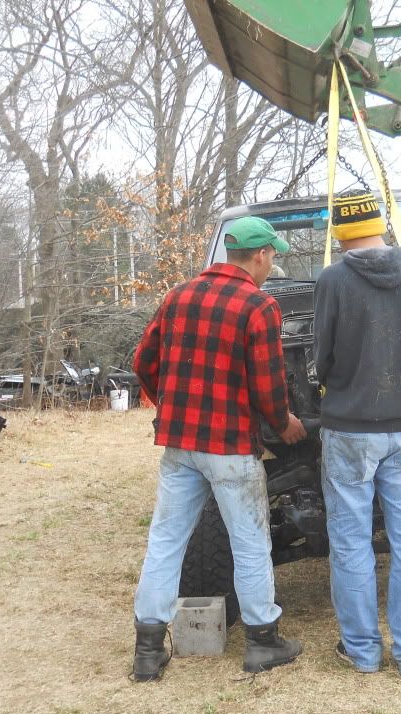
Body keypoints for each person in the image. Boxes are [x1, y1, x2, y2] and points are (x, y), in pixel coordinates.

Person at [130, 216, 307, 681]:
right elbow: (268, 386)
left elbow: (143, 360)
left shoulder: (177, 296)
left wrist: (168, 401)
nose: (272, 266)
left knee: (166, 540)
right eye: (274, 257)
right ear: (261, 255)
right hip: (229, 447)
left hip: (179, 444)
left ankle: (148, 652)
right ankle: (263, 642)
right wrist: (283, 423)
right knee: (250, 542)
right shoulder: (258, 306)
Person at [313, 191, 401, 679]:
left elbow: (321, 356)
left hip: (348, 428)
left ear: (339, 235)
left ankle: (363, 653)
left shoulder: (333, 279)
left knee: (350, 540)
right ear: (382, 222)